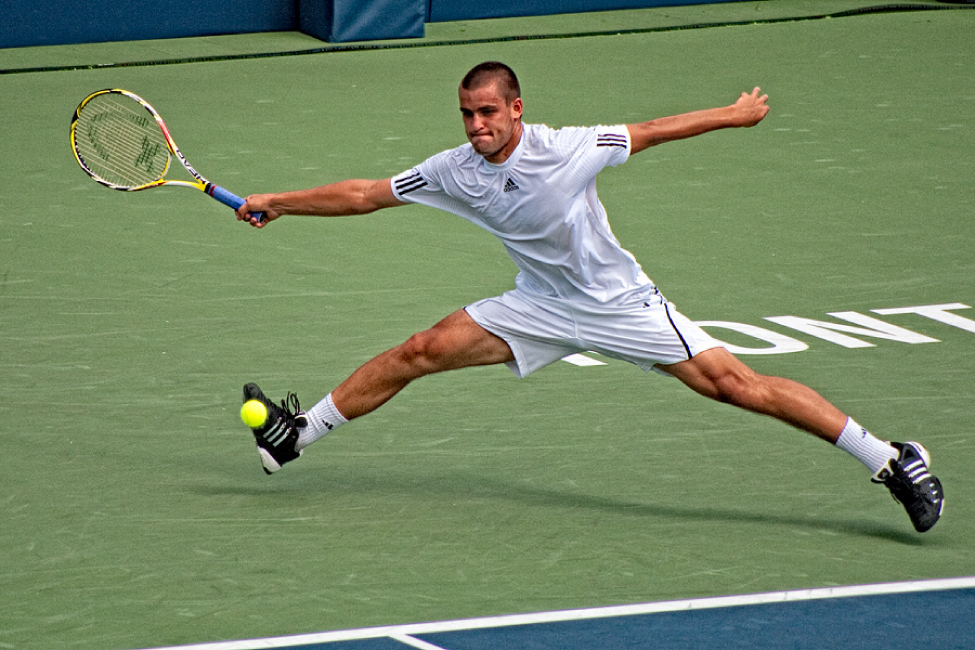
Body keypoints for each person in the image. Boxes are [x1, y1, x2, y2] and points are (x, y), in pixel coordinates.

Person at [236, 61, 943, 533]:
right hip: (537, 305)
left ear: (516, 109)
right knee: (420, 350)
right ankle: (298, 436)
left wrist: (732, 115)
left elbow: (654, 130)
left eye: (487, 113)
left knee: (737, 386)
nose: (476, 126)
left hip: (618, 304)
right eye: (465, 115)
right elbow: (365, 194)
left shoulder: (570, 146)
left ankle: (888, 458)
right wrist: (281, 202)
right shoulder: (454, 170)